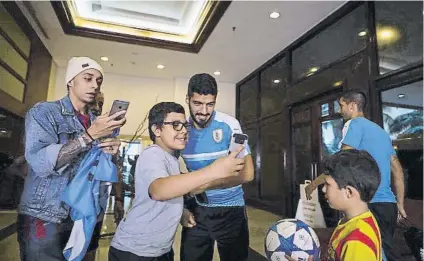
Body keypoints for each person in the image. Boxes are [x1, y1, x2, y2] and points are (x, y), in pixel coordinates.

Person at [17, 56, 126, 261]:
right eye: (88, 78)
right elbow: (41, 163)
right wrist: (89, 136)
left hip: (85, 214)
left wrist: (111, 153)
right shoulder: (44, 113)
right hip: (45, 215)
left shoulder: (97, 122)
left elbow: (100, 172)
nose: (95, 85)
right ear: (70, 81)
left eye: (99, 81)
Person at [109, 102, 245, 261]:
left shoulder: (171, 158)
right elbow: (158, 190)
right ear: (156, 130)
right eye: (175, 125)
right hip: (135, 252)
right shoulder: (153, 154)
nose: (183, 131)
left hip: (160, 251)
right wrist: (213, 171)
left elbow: (171, 190)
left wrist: (180, 212)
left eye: (185, 125)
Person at [305, 90, 406, 261]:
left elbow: (342, 165)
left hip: (368, 203)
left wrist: (313, 184)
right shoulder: (382, 132)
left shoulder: (355, 124)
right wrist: (400, 205)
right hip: (388, 205)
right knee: (383, 251)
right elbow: (398, 171)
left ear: (352, 105)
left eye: (342, 105)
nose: (340, 110)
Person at [180, 73, 255, 261]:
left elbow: (248, 173)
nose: (204, 111)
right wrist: (181, 208)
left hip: (231, 209)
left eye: (210, 104)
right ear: (188, 99)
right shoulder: (180, 129)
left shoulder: (229, 124)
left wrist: (204, 185)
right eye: (197, 104)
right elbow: (170, 173)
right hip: (197, 209)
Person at [288, 149, 383, 261]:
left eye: (328, 184)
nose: (323, 189)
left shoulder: (357, 242)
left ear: (349, 192)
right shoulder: (353, 221)